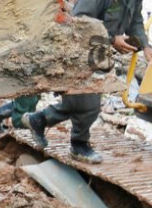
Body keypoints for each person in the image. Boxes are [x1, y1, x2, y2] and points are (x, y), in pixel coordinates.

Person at [22, 1, 150, 164]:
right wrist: (112, 39)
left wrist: (145, 45)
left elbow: (135, 21)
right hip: (75, 48)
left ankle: (38, 120)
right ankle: (79, 145)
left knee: (81, 101)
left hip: (97, 52)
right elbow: (79, 22)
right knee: (88, 102)